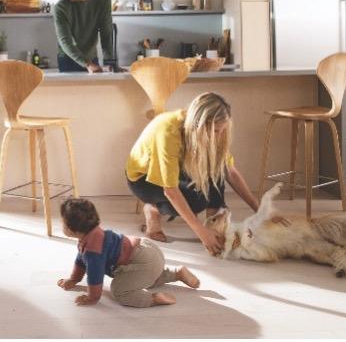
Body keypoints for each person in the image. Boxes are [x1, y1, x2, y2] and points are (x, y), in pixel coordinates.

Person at [125, 92, 288, 255]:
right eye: (215, 131)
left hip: (178, 173)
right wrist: (201, 233)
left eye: (222, 130)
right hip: (144, 180)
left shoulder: (216, 134)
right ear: (199, 124)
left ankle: (213, 224)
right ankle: (153, 210)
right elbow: (171, 190)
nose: (218, 136)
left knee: (217, 168)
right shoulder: (168, 130)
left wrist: (260, 209)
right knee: (195, 202)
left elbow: (229, 171)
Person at [57, 197, 201, 308]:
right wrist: (74, 279)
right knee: (144, 276)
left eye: (63, 223)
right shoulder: (94, 234)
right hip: (147, 250)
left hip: (143, 262)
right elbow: (80, 260)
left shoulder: (93, 250)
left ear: (72, 229)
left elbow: (95, 277)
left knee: (120, 290)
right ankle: (177, 273)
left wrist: (92, 297)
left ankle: (153, 299)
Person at [53, 0, 113, 73]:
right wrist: (87, 64)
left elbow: (106, 34)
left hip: (91, 57)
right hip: (68, 59)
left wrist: (111, 63)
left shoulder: (102, 0)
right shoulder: (60, 7)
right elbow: (65, 41)